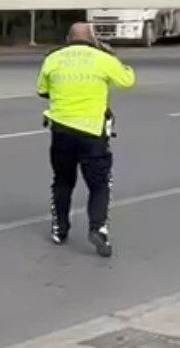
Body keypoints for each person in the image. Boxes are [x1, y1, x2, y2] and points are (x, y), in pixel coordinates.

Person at [37, 23, 136, 257]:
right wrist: (111, 54)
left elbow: (43, 90)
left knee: (62, 181)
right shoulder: (103, 58)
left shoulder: (53, 58)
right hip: (93, 133)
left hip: (61, 131)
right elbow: (127, 80)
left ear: (67, 38)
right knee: (99, 183)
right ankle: (98, 228)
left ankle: (60, 229)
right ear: (93, 39)